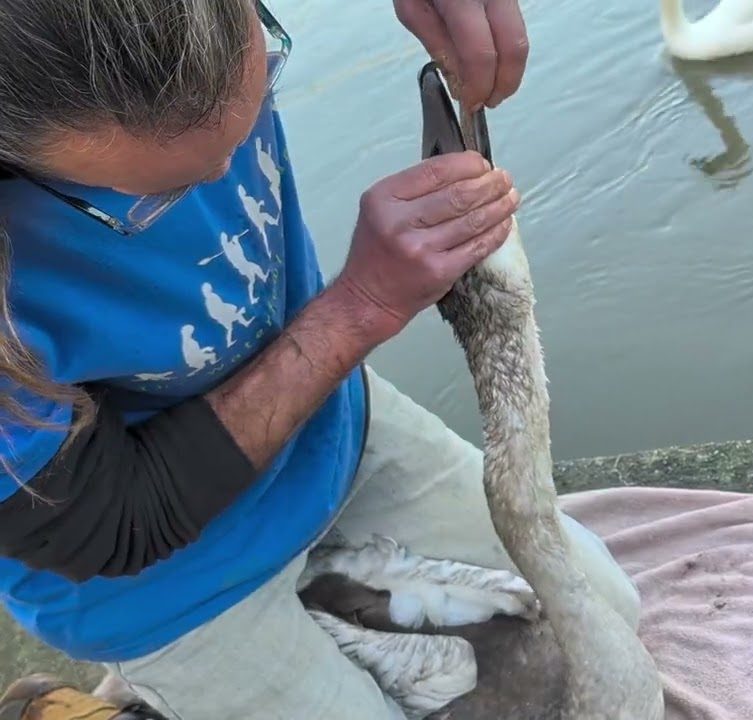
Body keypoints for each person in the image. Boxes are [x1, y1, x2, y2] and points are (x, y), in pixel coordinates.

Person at [0, 1, 641, 718]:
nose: (223, 176)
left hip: (330, 430)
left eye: (257, 91)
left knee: (611, 615)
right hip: (159, 584)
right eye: (161, 194)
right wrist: (360, 306)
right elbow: (112, 525)